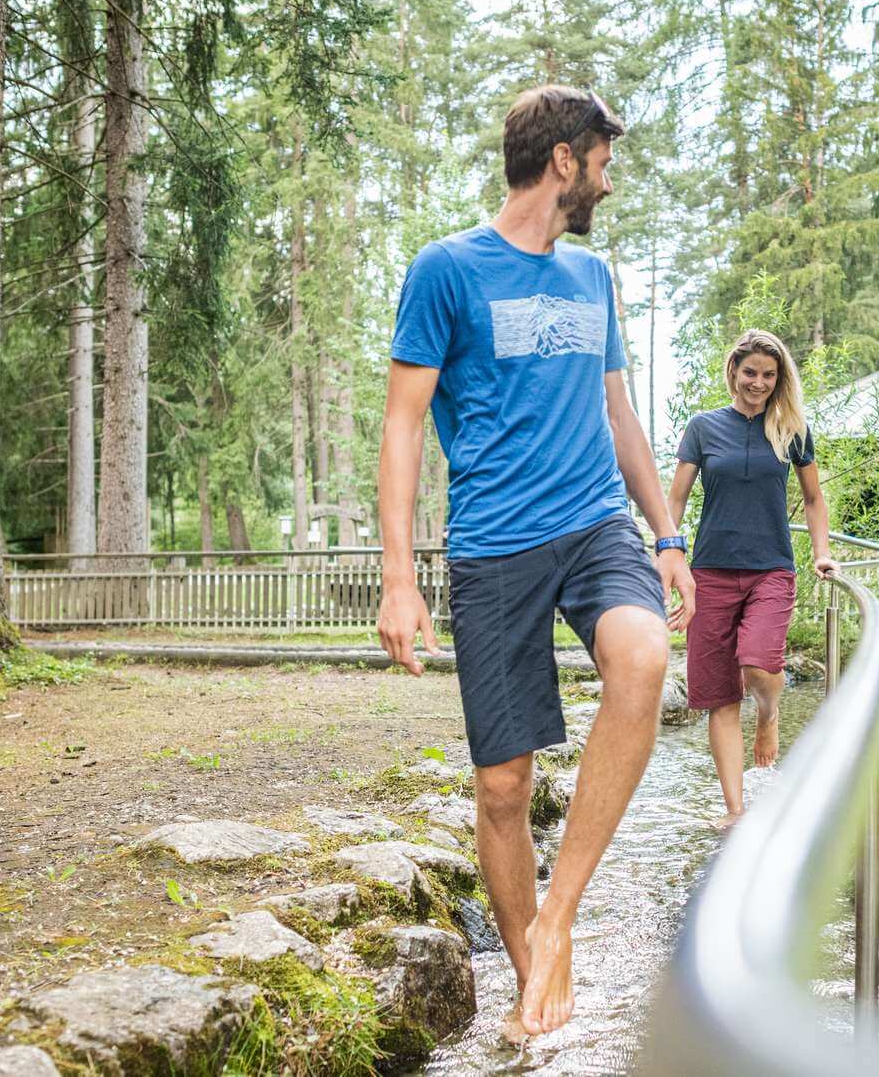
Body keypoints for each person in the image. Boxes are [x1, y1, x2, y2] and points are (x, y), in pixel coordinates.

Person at [375, 85, 695, 1043]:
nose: (608, 175)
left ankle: (560, 913)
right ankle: (532, 980)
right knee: (503, 788)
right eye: (603, 157)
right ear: (565, 159)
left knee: (641, 660)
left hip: (594, 524)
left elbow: (620, 416)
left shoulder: (593, 279)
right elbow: (401, 427)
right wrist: (401, 576)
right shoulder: (446, 270)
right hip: (493, 548)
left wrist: (668, 535)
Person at [666, 331, 837, 829]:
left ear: (778, 378)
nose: (759, 383)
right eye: (751, 373)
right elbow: (675, 498)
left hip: (770, 569)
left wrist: (822, 553)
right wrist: (669, 548)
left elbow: (812, 499)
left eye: (769, 374)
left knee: (759, 665)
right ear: (734, 372)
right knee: (718, 696)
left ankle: (768, 715)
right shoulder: (703, 427)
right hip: (710, 573)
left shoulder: (791, 428)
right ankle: (735, 810)